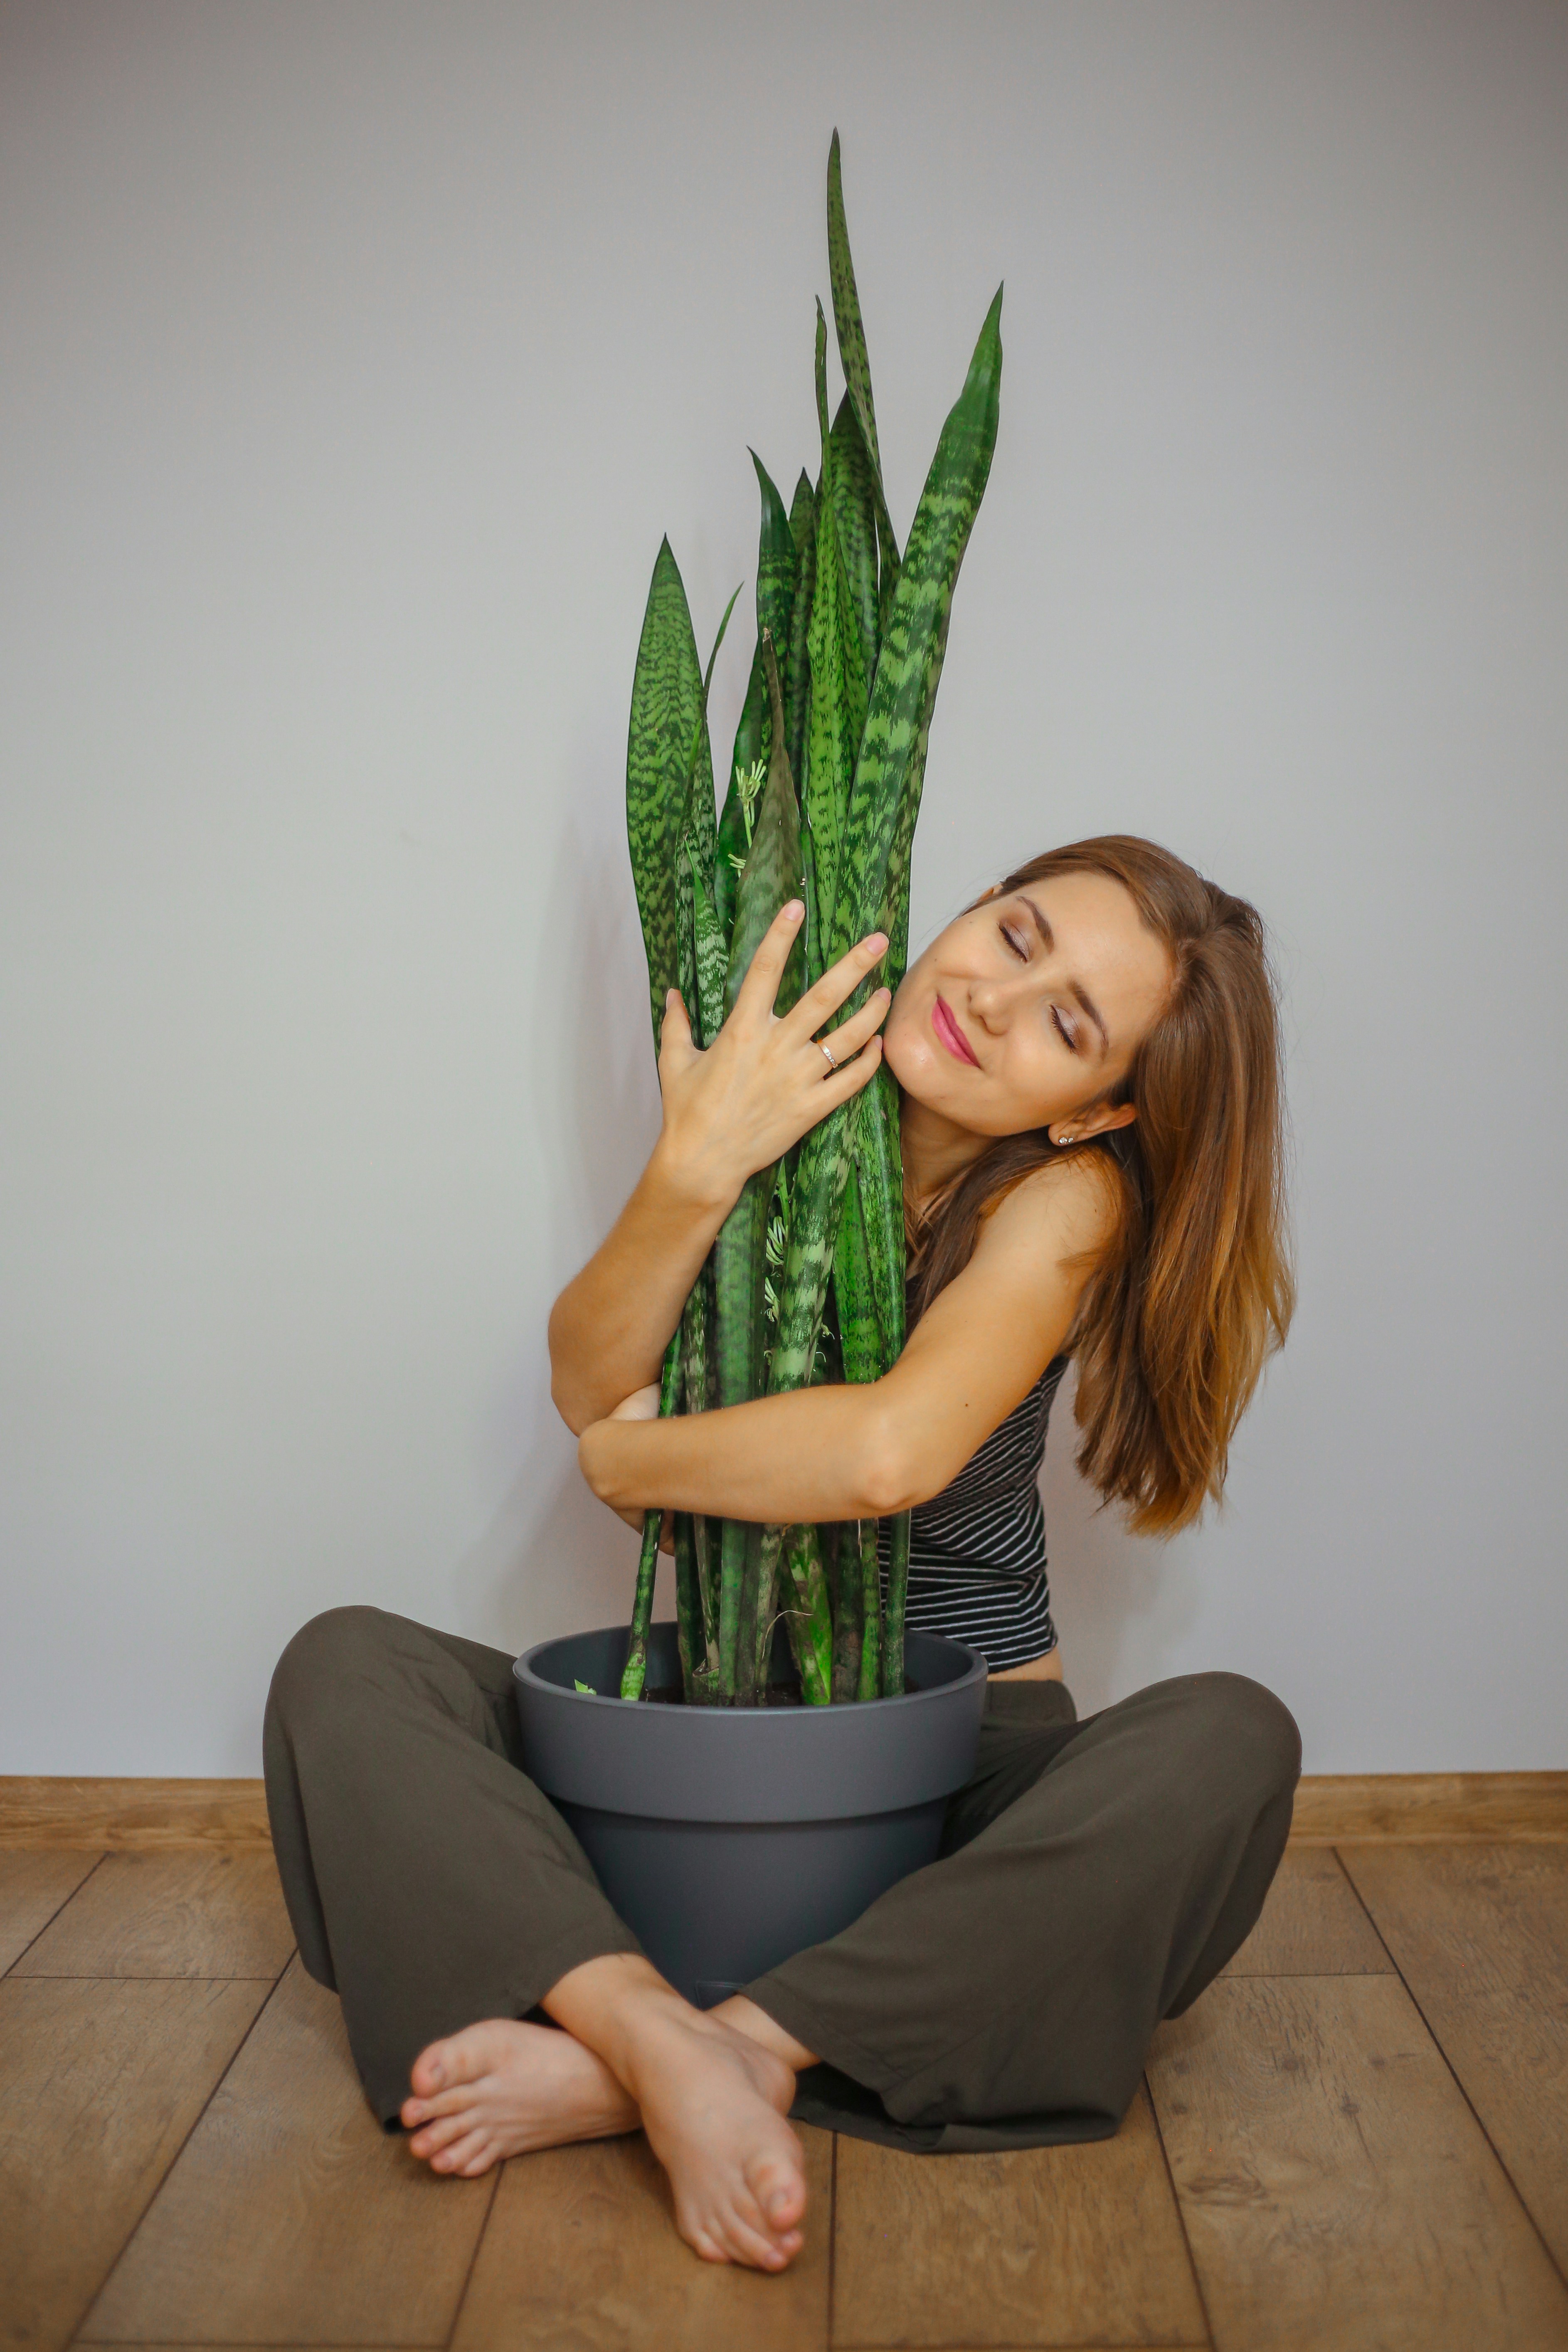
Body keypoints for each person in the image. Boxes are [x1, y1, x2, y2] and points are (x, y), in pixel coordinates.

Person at [264, 833, 1302, 2276]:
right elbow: (586, 1364)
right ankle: (668, 2036)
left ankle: (704, 2047)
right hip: (724, 1741)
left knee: (1229, 1738)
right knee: (347, 1666)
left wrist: (624, 1459)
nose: (998, 1002)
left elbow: (886, 1455)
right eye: (1014, 936)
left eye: (1070, 1022)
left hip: (960, 1770)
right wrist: (696, 1164)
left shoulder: (1066, 1202)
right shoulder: (787, 1083)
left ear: (1097, 1108)